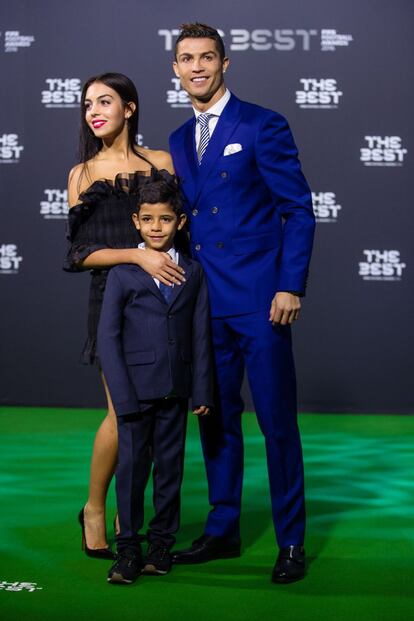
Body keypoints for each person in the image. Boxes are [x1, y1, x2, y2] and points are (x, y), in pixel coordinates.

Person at [168, 23, 316, 583]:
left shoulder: (262, 124)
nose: (197, 67)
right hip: (206, 304)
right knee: (216, 420)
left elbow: (297, 209)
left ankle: (292, 541)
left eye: (207, 57)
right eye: (187, 59)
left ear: (225, 64)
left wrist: (290, 284)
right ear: (175, 70)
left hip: (260, 301)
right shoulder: (179, 140)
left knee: (277, 423)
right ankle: (223, 528)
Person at [64, 73, 185, 558]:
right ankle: (95, 508)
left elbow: (178, 231)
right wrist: (136, 256)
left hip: (161, 303)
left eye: (105, 101)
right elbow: (78, 255)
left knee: (156, 416)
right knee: (122, 414)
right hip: (113, 303)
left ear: (130, 109)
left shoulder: (161, 163)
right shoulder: (82, 173)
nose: (94, 111)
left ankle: (127, 511)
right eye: (88, 103)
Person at [97, 173, 214, 584]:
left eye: (165, 220)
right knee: (131, 473)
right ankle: (127, 549)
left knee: (171, 470)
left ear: (180, 222)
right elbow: (108, 338)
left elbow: (200, 334)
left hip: (176, 390)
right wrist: (122, 395)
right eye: (148, 220)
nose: (156, 228)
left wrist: (201, 388)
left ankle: (161, 545)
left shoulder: (195, 273)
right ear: (136, 222)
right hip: (134, 393)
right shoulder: (124, 274)